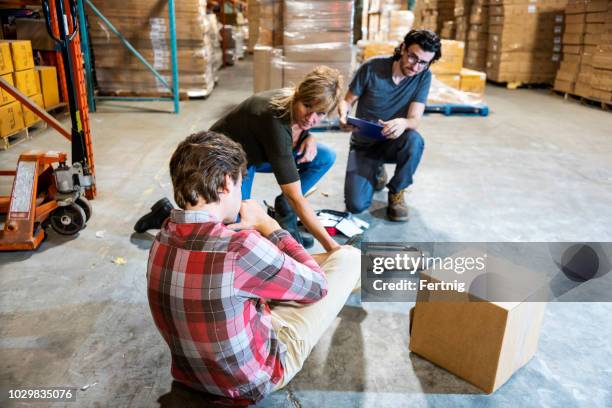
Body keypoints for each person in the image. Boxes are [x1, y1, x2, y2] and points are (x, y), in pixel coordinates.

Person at [146, 131, 360, 403]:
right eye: (239, 185)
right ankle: (355, 274)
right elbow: (317, 287)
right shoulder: (240, 247)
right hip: (253, 380)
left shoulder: (163, 235)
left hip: (191, 376)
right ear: (225, 184)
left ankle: (348, 279)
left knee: (281, 269)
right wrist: (271, 227)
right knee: (349, 258)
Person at [135, 66, 344, 251]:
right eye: (307, 106)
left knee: (325, 156)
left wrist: (309, 136)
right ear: (298, 94)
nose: (311, 118)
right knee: (232, 225)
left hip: (256, 151)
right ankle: (165, 214)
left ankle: (284, 213)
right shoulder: (275, 118)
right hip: (225, 161)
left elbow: (299, 128)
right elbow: (295, 195)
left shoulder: (294, 108)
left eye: (321, 113)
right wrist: (331, 246)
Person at [339, 29, 442, 222]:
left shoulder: (423, 76)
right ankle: (376, 170)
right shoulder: (372, 68)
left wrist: (404, 122)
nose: (416, 66)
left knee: (414, 140)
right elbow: (347, 101)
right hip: (363, 144)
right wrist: (343, 115)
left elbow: (414, 119)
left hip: (393, 142)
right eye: (413, 57)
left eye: (423, 62)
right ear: (403, 48)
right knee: (356, 205)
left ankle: (396, 191)